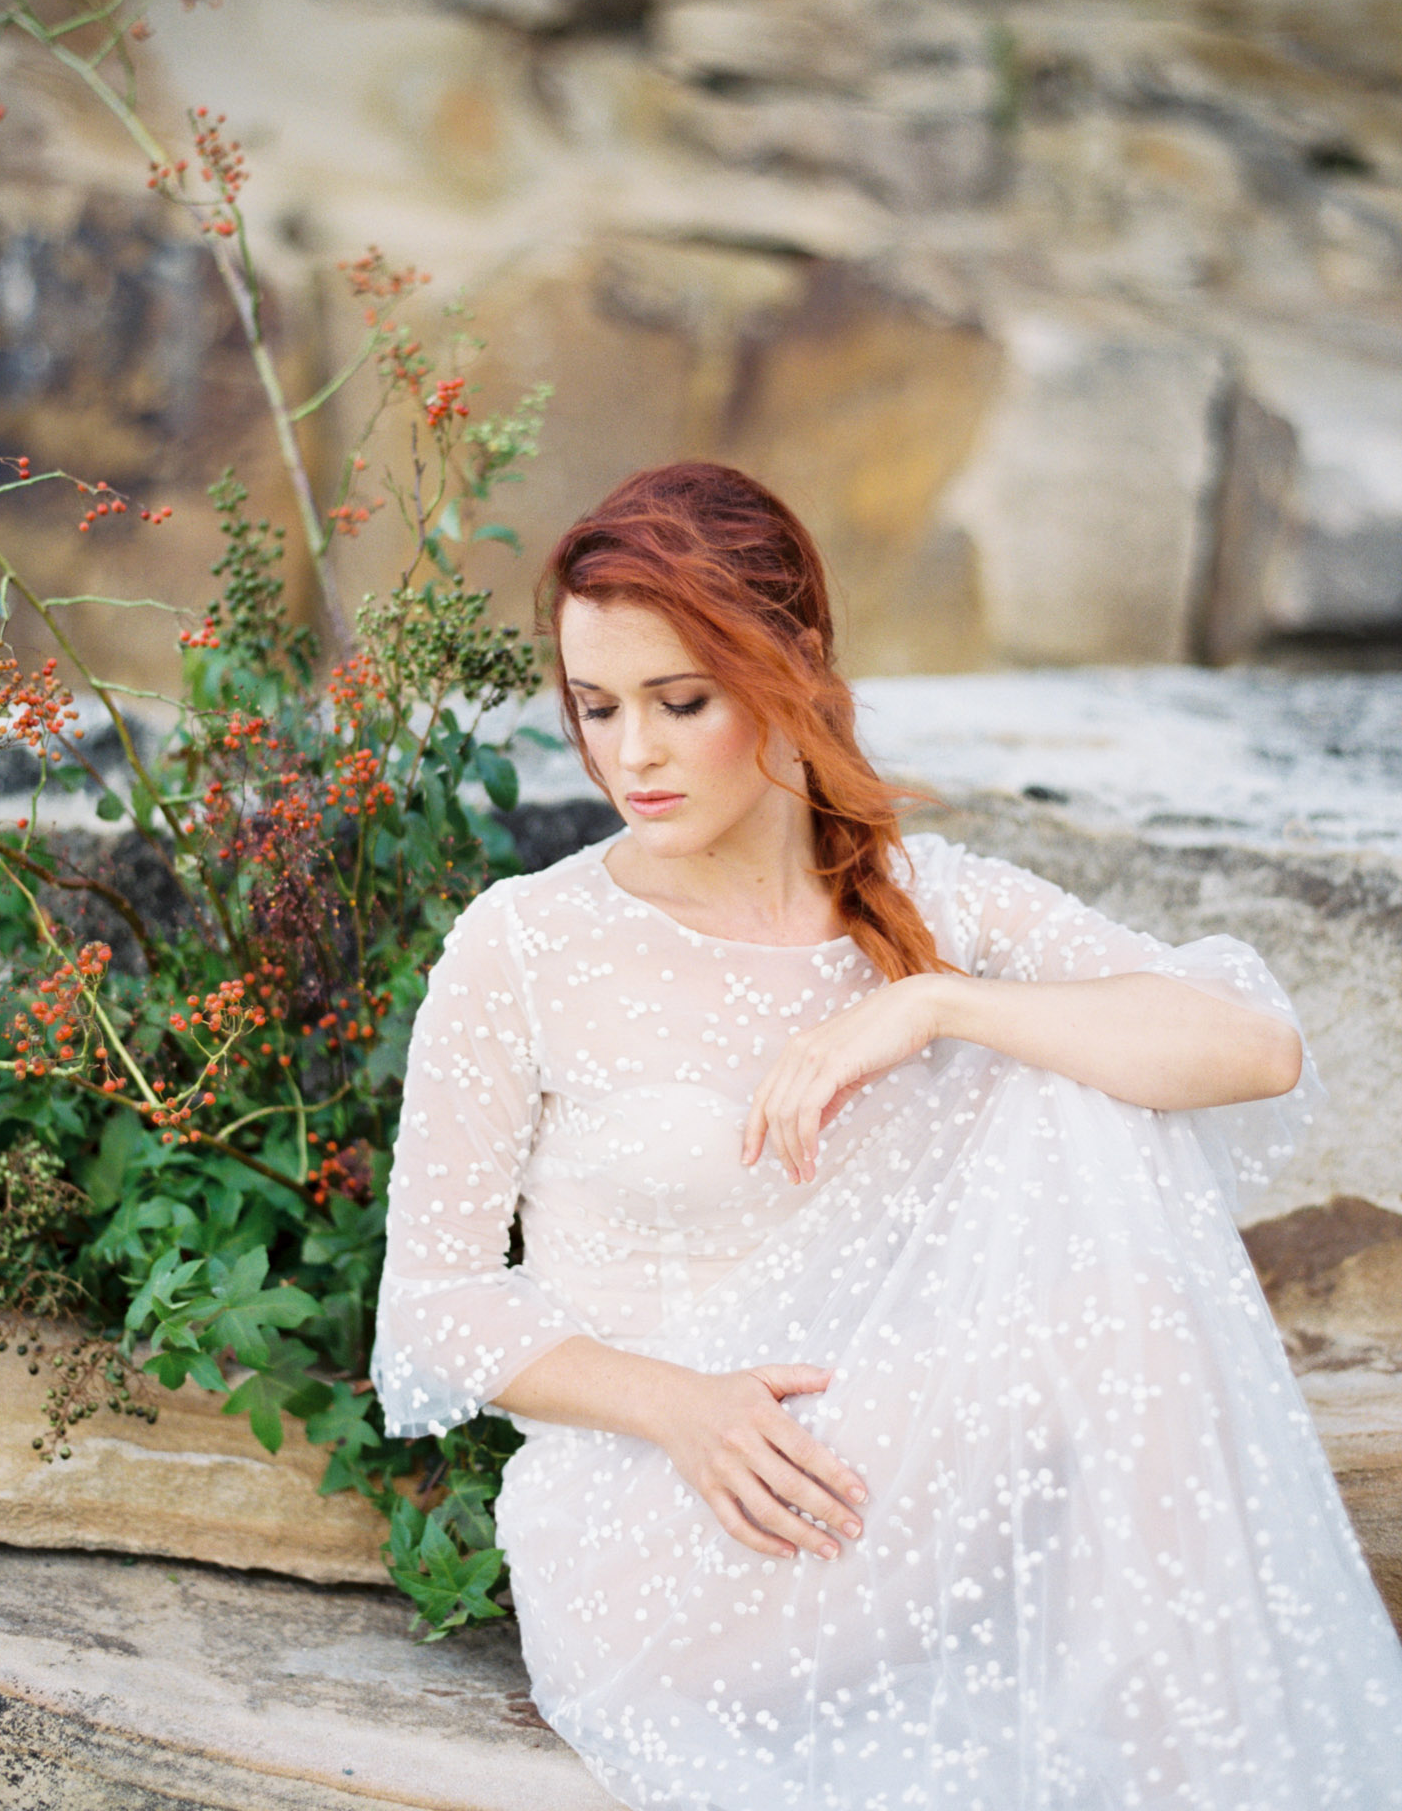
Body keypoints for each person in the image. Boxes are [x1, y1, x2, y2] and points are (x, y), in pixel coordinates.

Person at [373, 462, 1402, 1809]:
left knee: (1074, 1087)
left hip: (921, 1476)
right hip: (673, 1532)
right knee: (1077, 1147)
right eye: (597, 707)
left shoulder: (934, 908)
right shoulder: (526, 946)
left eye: (681, 701)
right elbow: (432, 1311)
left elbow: (1249, 1047)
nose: (631, 755)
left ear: (790, 664)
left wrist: (934, 1003)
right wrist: (677, 1407)